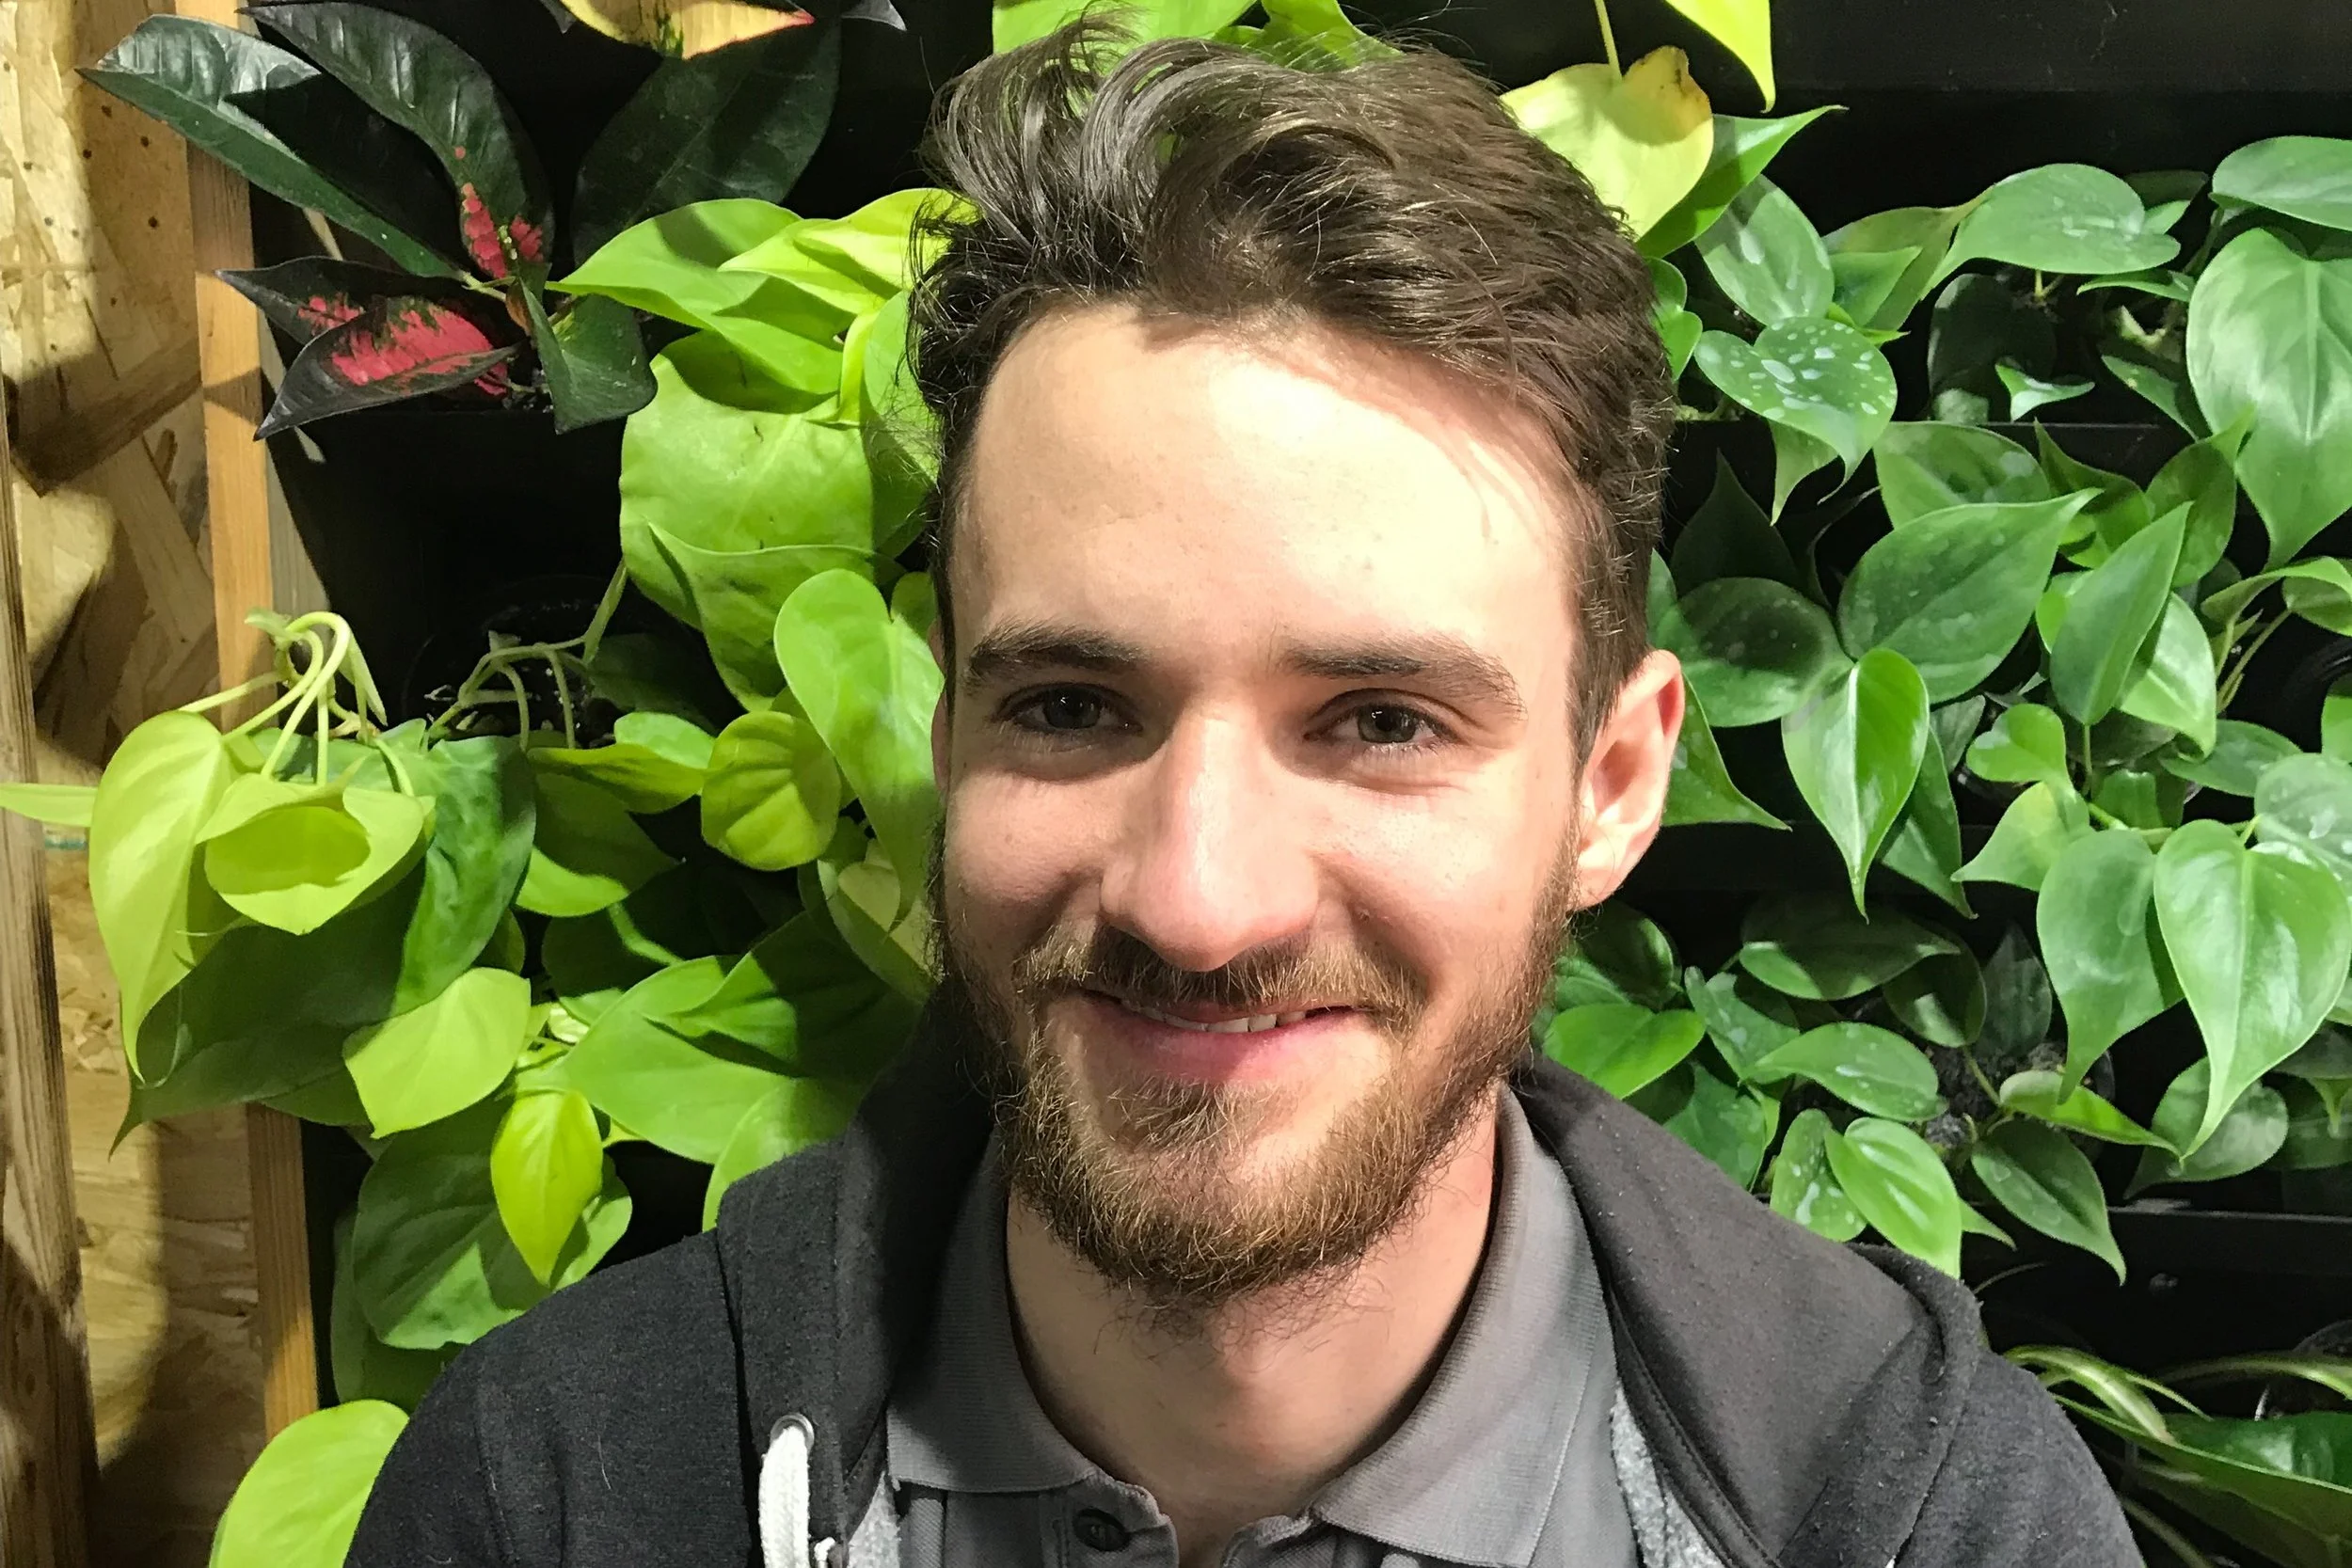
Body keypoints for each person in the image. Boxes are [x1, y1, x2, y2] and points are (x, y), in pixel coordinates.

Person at [351, 24, 2134, 1568]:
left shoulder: (1925, 1518)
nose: (1199, 900)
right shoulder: (558, 1495)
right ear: (949, 732)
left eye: (1378, 721)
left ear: (1610, 783)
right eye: (1069, 702)